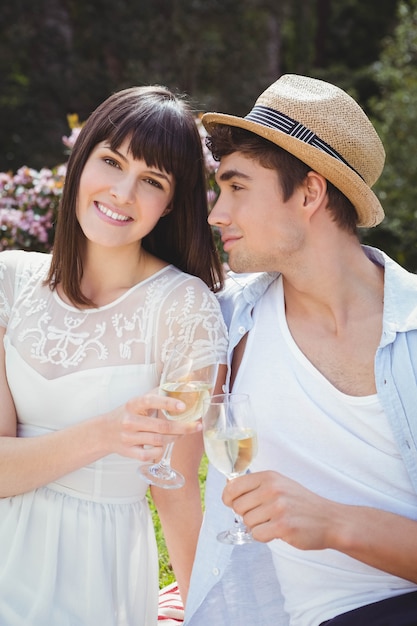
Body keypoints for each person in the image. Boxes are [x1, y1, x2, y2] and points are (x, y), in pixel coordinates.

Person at [184, 74, 417, 626]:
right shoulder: (225, 321)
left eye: (237, 187)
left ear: (310, 193)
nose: (217, 214)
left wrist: (334, 523)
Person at [0, 85, 228, 625]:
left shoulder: (185, 309)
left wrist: (202, 612)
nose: (123, 192)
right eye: (111, 161)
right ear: (80, 164)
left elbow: (175, 490)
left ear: (170, 203)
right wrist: (109, 432)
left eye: (152, 181)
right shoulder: (8, 280)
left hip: (94, 572)